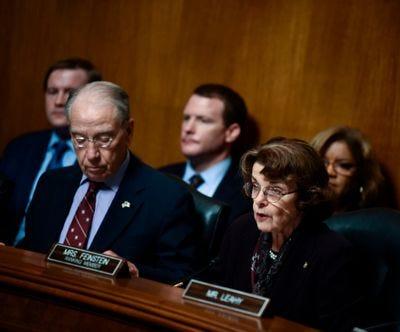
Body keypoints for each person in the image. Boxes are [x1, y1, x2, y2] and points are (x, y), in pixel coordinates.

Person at [21, 81, 201, 284]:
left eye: (104, 139)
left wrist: (134, 272)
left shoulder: (166, 199)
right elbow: (30, 250)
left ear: (129, 132)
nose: (91, 155)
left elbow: (181, 279)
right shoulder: (51, 184)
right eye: (79, 139)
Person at [208, 138, 360, 330]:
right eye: (255, 186)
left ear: (306, 196)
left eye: (274, 190)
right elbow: (214, 293)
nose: (259, 200)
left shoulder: (331, 253)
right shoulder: (241, 230)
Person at [0, 58, 102, 245]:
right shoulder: (19, 148)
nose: (59, 101)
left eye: (70, 93)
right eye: (52, 91)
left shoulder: (102, 158)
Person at [159, 84, 252, 250]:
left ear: (231, 132)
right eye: (186, 118)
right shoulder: (159, 177)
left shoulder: (249, 193)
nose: (188, 128)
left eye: (203, 120)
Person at [310, 126, 385, 212]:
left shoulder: (369, 221)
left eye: (344, 165)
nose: (329, 172)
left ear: (361, 173)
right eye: (322, 162)